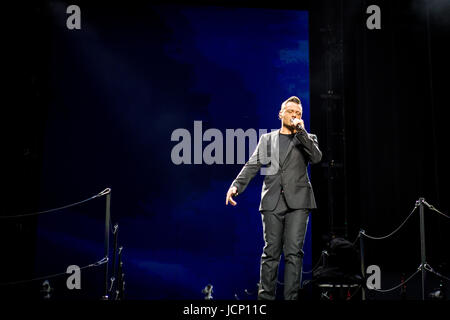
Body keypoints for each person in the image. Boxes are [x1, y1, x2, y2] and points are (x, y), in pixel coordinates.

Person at [225, 96, 322, 300]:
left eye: (299, 113)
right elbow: (253, 165)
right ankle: (265, 299)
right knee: (270, 253)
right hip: (272, 201)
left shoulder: (308, 138)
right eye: (291, 111)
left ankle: (291, 298)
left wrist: (301, 132)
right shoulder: (267, 139)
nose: (295, 115)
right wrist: (236, 185)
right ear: (281, 114)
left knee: (294, 254)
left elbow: (316, 158)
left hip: (299, 202)